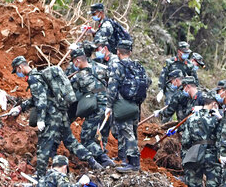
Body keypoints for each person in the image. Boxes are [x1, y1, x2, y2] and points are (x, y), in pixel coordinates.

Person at [9, 56, 102, 176]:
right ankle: (93, 162)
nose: (18, 74)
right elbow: (36, 98)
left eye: (17, 71)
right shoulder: (39, 75)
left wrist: (41, 119)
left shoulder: (33, 79)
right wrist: (21, 107)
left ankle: (40, 177)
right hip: (61, 113)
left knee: (43, 145)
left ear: (20, 67)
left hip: (51, 116)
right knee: (70, 141)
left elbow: (41, 101)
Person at [174, 102, 223, 187]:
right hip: (212, 156)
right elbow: (222, 137)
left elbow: (185, 140)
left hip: (196, 155)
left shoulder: (192, 117)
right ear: (213, 104)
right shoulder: (217, 118)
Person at [104, 39, 150, 171]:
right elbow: (147, 82)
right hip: (136, 105)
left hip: (122, 105)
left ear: (118, 51)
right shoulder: (138, 66)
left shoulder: (117, 66)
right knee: (133, 132)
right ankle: (129, 160)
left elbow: (112, 87)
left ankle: (134, 163)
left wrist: (108, 105)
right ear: (130, 51)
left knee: (126, 132)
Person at [68, 48, 115, 167]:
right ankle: (104, 163)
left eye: (73, 62)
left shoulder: (78, 77)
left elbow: (69, 93)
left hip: (96, 109)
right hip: (109, 108)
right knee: (102, 136)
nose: (74, 65)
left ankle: (104, 159)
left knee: (86, 139)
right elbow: (114, 82)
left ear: (78, 60)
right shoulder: (101, 68)